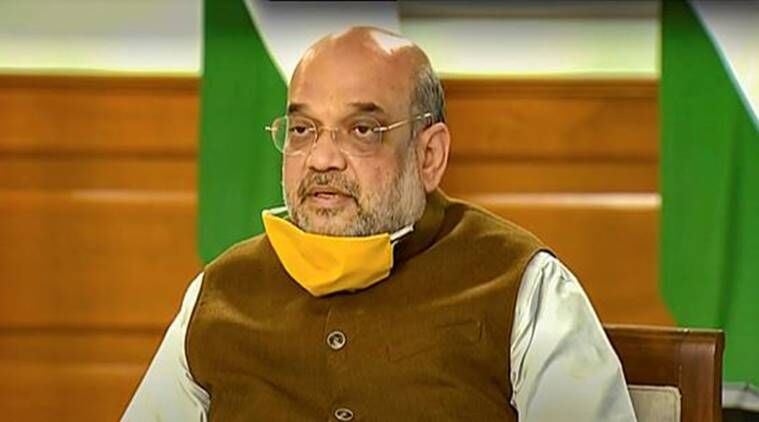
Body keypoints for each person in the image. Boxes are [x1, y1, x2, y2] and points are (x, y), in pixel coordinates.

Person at [123, 27, 637, 421]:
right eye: (302, 129)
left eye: (362, 130)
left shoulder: (523, 284)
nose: (321, 158)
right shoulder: (219, 293)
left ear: (429, 155)